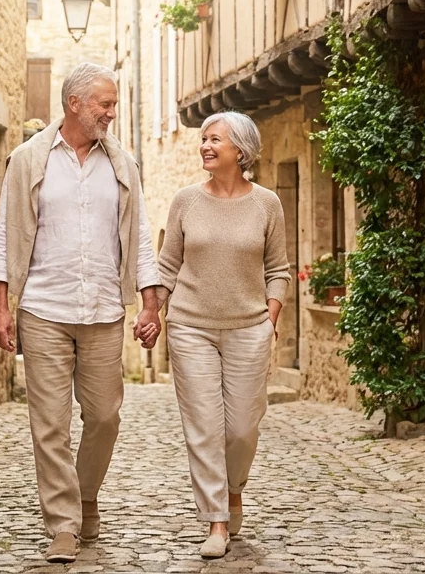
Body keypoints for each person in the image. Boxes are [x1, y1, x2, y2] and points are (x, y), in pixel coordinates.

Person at [0, 62, 162, 563]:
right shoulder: (28, 159)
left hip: (104, 309)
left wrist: (150, 302)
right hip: (43, 308)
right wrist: (2, 307)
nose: (112, 113)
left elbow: (141, 237)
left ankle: (87, 495)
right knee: (50, 424)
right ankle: (63, 523)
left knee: (105, 416)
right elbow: (5, 235)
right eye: (104, 105)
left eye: (113, 104)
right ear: (74, 105)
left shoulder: (122, 165)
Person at [156, 111, 291, 559]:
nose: (205, 146)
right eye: (203, 139)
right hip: (191, 326)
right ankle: (215, 518)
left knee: (241, 429)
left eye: (215, 139)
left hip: (249, 329)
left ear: (241, 150)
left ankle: (235, 490)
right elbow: (167, 266)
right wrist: (153, 310)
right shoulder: (185, 201)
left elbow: (278, 270)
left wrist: (269, 318)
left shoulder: (267, 203)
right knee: (204, 427)